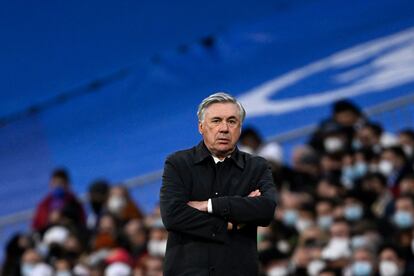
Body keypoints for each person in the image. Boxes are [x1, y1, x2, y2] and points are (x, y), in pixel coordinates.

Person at [160, 92, 277, 275]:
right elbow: (172, 215)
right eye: (216, 121)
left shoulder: (257, 166)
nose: (224, 128)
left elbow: (266, 209)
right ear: (201, 127)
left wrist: (210, 205)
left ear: (239, 127)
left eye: (232, 121)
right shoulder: (178, 163)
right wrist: (231, 224)